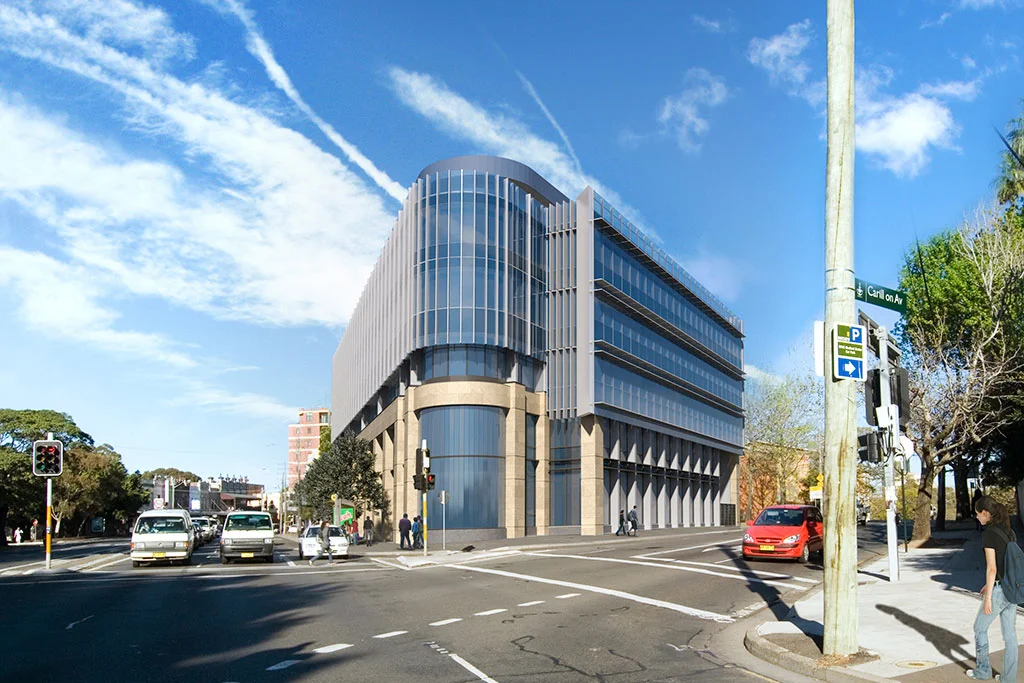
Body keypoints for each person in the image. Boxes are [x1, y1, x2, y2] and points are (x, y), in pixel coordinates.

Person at [967, 495, 1017, 681]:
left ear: (985, 513)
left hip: (998, 591)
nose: (976, 517)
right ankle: (1008, 678)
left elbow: (992, 568)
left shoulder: (988, 534)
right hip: (1012, 589)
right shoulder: (1009, 531)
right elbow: (1007, 564)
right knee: (1010, 635)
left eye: (977, 514)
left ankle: (983, 671)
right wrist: (987, 585)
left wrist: (988, 596)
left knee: (979, 628)